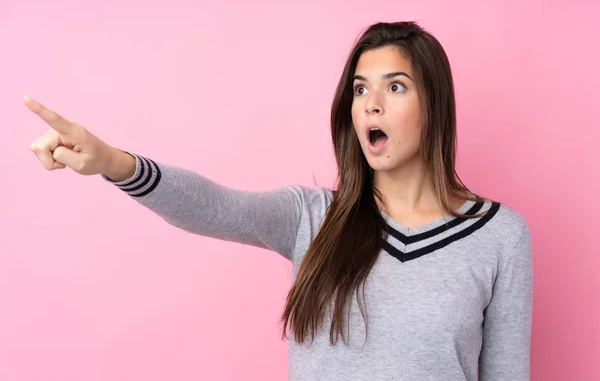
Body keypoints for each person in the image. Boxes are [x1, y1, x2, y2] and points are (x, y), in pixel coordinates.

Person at [25, 21, 533, 380]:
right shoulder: (312, 217)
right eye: (360, 90)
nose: (371, 104)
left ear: (434, 105)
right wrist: (114, 163)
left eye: (395, 87)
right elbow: (216, 207)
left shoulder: (500, 236)